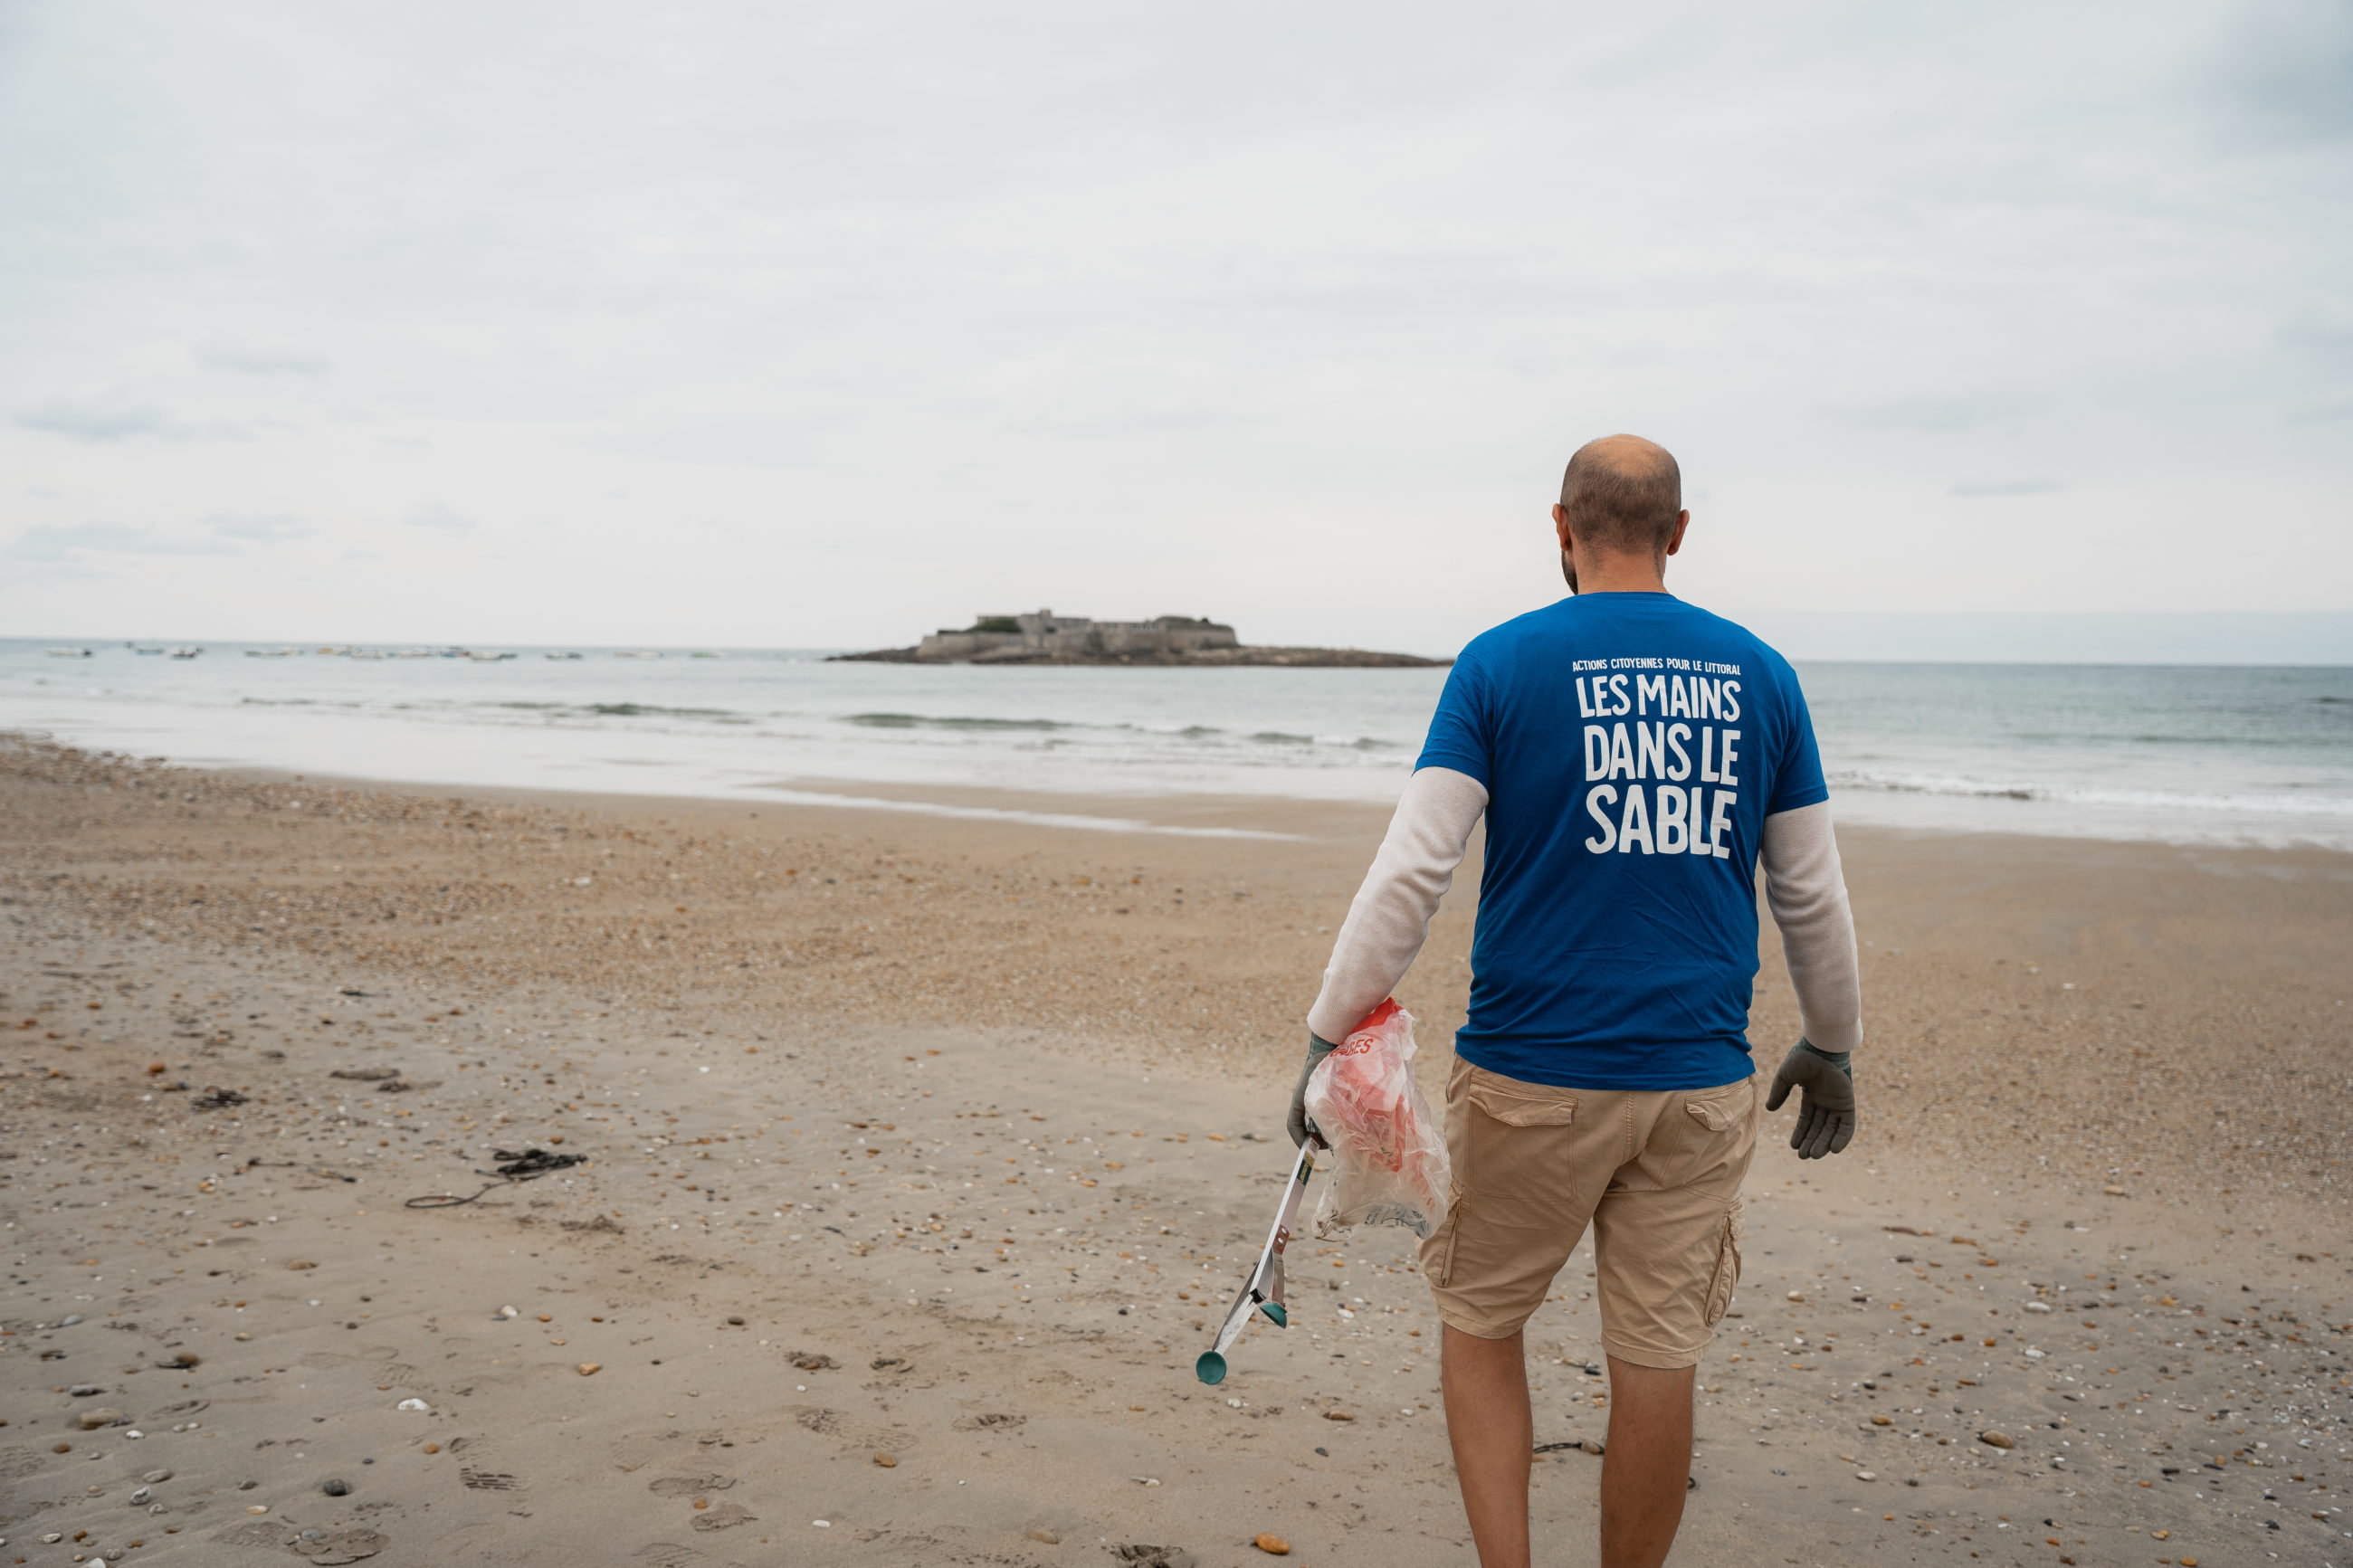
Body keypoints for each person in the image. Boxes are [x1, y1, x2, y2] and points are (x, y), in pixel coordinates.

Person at [1284, 434, 1862, 1568]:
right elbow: (1810, 890)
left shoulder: (1500, 664)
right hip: (1696, 1085)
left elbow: (1412, 869)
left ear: (1559, 527)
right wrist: (1829, 1040)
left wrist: (1325, 1025)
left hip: (1526, 1079)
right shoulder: (1761, 672)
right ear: (1678, 535)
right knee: (1655, 1351)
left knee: (1482, 1319)